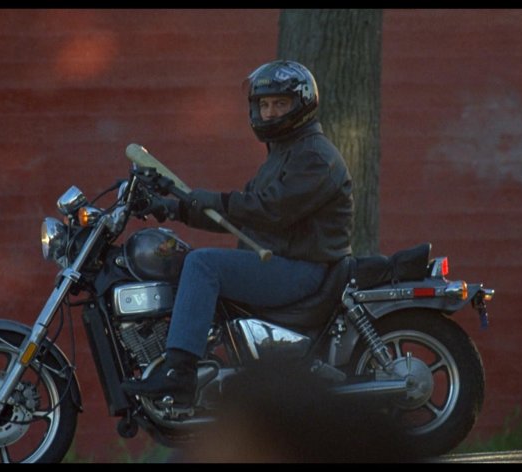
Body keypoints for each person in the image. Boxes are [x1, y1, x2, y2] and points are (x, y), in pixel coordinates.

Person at [121, 60, 354, 406]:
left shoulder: (314, 156)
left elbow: (268, 210)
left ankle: (179, 373)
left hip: (302, 268)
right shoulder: (286, 153)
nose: (270, 112)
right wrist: (173, 208)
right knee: (193, 262)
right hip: (285, 261)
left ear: (302, 104)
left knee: (203, 264)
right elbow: (242, 216)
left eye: (280, 104)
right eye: (264, 104)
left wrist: (208, 199)